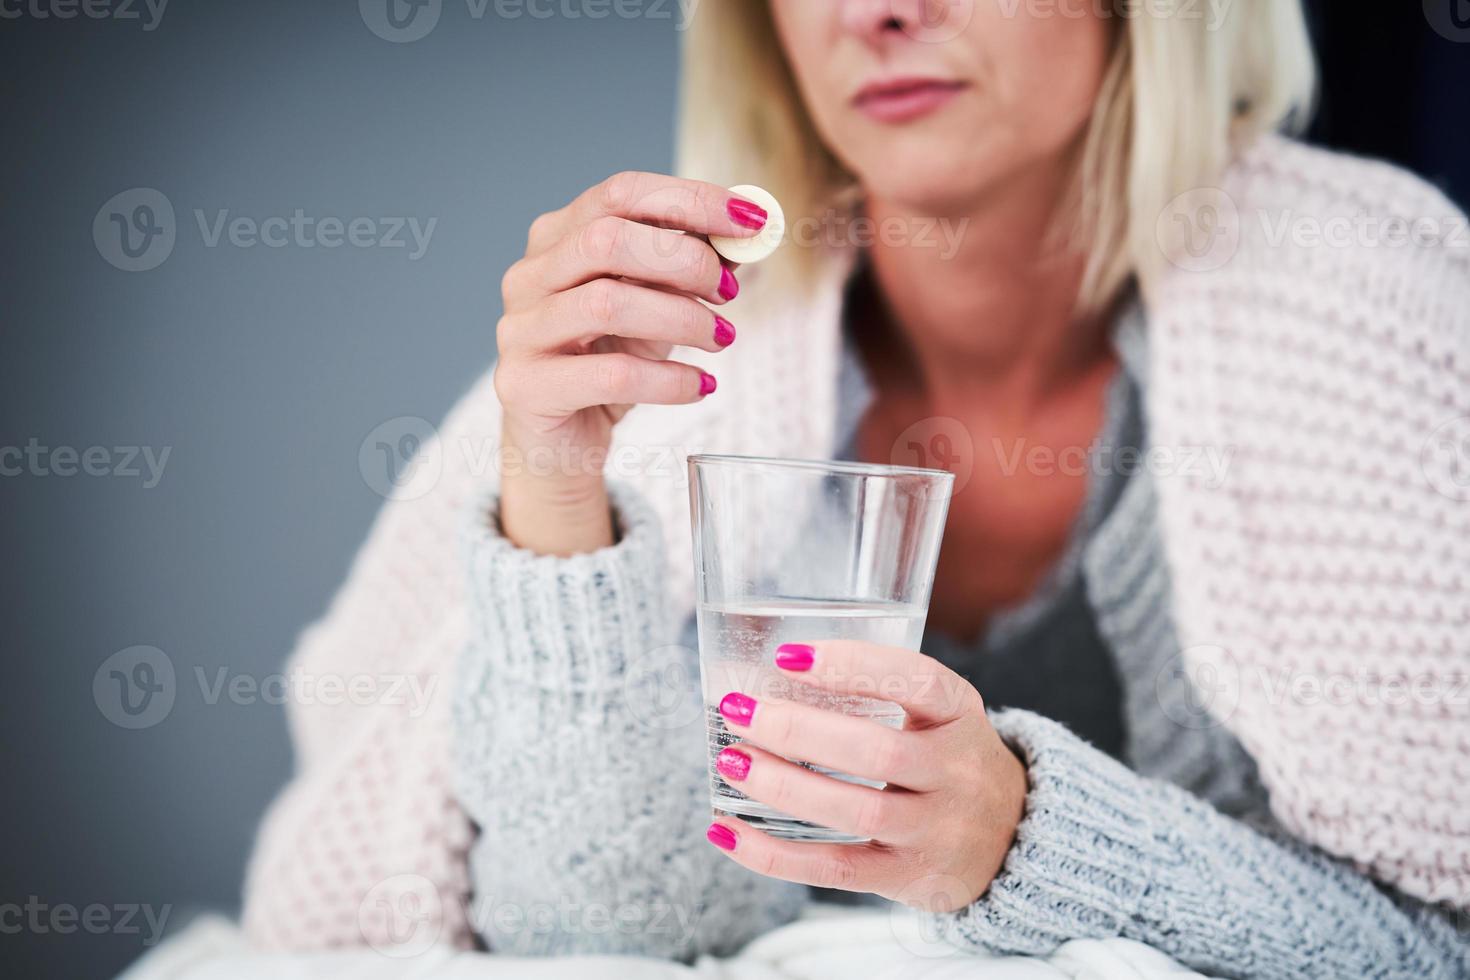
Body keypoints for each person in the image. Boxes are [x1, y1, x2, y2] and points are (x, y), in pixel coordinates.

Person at [242, 2, 1470, 975]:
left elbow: (1436, 942)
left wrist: (1021, 836)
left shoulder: (1378, 304)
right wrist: (557, 492)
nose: (877, 11)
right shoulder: (681, 349)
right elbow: (596, 934)